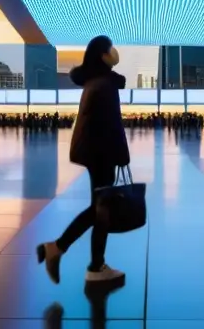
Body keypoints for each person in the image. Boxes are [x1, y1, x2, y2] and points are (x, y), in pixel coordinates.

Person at [37, 35, 129, 285]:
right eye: (110, 48)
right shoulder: (105, 83)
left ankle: (75, 256)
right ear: (103, 55)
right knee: (101, 209)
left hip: (94, 152)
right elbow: (112, 125)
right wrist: (123, 155)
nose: (114, 52)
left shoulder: (96, 81)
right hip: (101, 153)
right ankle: (77, 257)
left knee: (100, 208)